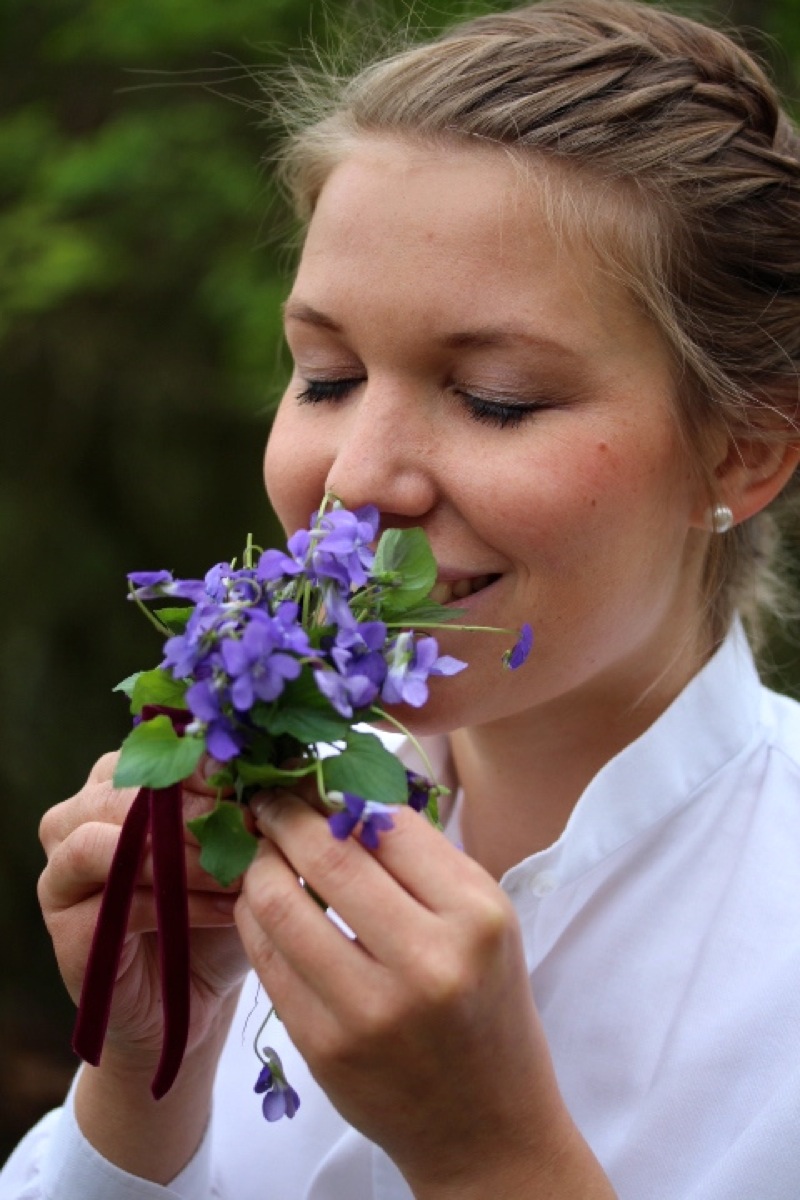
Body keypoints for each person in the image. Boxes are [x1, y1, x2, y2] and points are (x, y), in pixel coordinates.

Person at [3, 0, 800, 1196]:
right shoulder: (255, 833)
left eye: (494, 397)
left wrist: (486, 1155)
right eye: (324, 376)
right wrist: (141, 1074)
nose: (356, 480)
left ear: (740, 451)